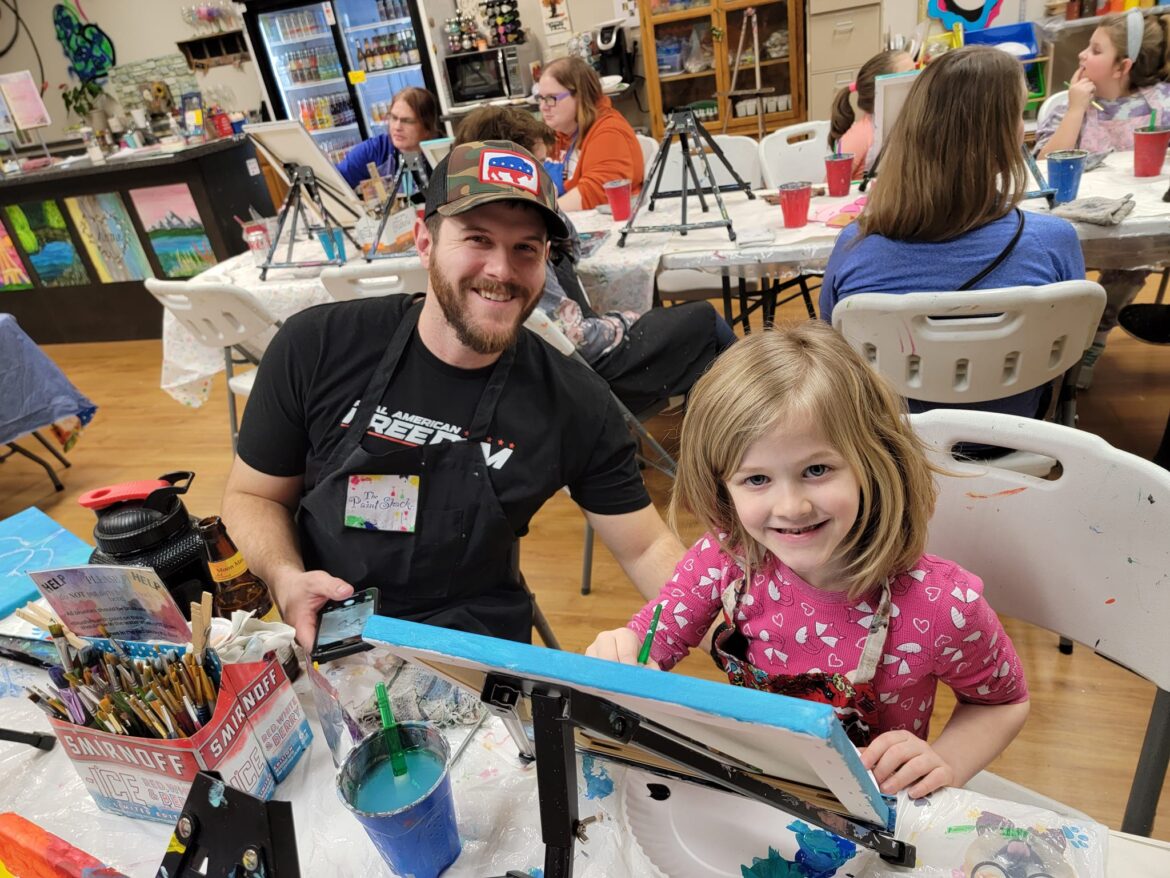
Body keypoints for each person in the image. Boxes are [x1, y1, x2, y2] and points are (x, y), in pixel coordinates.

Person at [222, 140, 686, 649]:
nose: (501, 271)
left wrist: (752, 635)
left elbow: (645, 548)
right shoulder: (318, 346)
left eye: (525, 248)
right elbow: (252, 495)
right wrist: (286, 580)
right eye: (478, 239)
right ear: (425, 242)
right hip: (323, 629)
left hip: (475, 648)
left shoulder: (575, 402)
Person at [587, 324, 1030, 799]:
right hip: (761, 787)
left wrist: (946, 760)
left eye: (816, 470)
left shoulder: (944, 605)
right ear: (722, 488)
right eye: (756, 479)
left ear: (874, 461)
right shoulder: (726, 556)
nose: (792, 507)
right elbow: (655, 641)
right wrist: (625, 648)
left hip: (873, 811)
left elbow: (1002, 704)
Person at [820, 45, 1085, 419]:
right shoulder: (1054, 241)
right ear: (1006, 135)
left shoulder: (854, 247)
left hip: (896, 450)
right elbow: (1071, 343)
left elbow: (831, 347)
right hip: (1018, 439)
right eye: (1020, 114)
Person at [453, 105, 734, 412]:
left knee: (683, 328)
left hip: (559, 369)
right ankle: (754, 417)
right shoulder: (522, 252)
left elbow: (569, 245)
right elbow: (576, 336)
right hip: (586, 374)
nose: (544, 179)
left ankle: (729, 419)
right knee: (704, 320)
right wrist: (623, 321)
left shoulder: (482, 236)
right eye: (537, 168)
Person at [1036, 11, 1170, 388]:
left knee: (1131, 265)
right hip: (1074, 229)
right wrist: (1076, 108)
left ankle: (1095, 338)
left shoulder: (1161, 104)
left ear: (1122, 66)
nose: (1081, 55)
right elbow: (1044, 162)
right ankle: (1057, 343)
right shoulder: (1069, 105)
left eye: (1095, 49)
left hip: (1134, 229)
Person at [537, 57, 644, 212]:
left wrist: (540, 216)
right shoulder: (563, 132)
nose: (543, 107)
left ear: (580, 95)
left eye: (551, 98)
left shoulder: (609, 132)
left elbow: (595, 193)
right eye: (540, 98)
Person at [827, 49, 916, 179]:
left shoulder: (907, 125)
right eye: (910, 76)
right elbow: (832, 188)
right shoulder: (860, 136)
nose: (918, 81)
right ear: (883, 88)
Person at [335, 86, 439, 190]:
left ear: (427, 128)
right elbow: (335, 184)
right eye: (393, 118)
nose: (397, 127)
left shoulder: (442, 153)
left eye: (407, 121)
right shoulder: (374, 150)